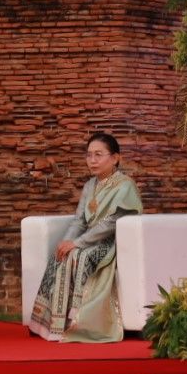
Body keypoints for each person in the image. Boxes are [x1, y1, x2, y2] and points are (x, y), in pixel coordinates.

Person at [27, 132, 140, 343]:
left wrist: (77, 243)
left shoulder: (125, 185)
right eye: (89, 155)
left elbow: (110, 224)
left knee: (79, 256)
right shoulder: (90, 185)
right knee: (61, 254)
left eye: (99, 154)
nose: (93, 160)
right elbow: (79, 220)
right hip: (88, 238)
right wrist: (66, 243)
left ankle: (77, 323)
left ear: (115, 158)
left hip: (111, 242)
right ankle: (48, 323)